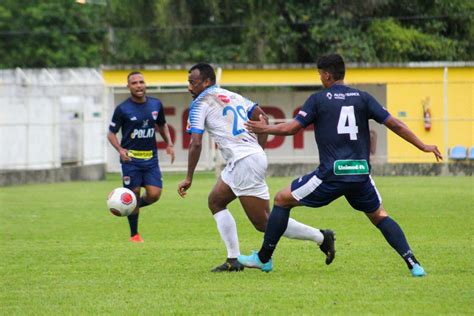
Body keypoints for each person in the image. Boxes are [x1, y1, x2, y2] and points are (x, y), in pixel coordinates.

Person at [238, 54, 443, 276]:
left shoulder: (318, 99)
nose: (320, 79)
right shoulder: (363, 98)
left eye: (320, 74)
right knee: (379, 216)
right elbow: (395, 124)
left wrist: (265, 129)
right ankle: (414, 264)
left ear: (326, 74)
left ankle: (263, 258)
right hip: (360, 174)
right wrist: (423, 146)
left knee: (281, 199)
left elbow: (292, 128)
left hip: (331, 175)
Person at [177, 63, 336, 272]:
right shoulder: (233, 96)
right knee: (216, 201)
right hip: (243, 160)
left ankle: (321, 237)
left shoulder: (200, 104)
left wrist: (189, 177)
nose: (189, 87)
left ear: (206, 82)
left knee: (264, 223)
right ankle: (233, 260)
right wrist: (257, 149)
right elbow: (263, 118)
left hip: (245, 162)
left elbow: (195, 142)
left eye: (192, 82)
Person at [107, 71, 175, 242]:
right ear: (128, 86)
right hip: (130, 160)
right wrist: (120, 150)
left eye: (141, 82)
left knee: (154, 195)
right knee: (134, 192)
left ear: (145, 84)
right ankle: (134, 235)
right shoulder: (123, 109)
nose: (139, 85)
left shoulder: (155, 104)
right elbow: (111, 134)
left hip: (151, 159)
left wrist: (169, 144)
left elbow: (162, 125)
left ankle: (128, 205)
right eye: (134, 83)